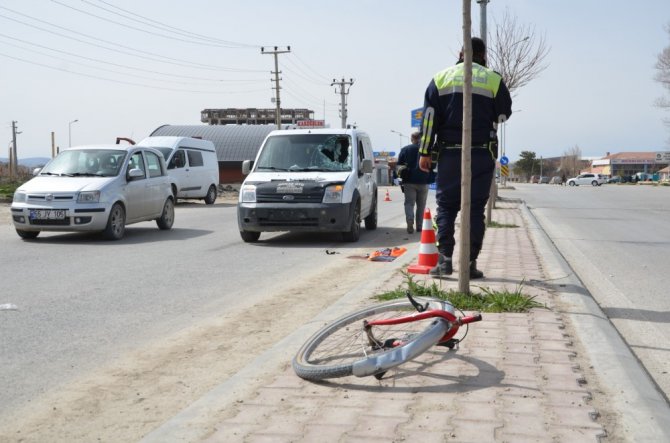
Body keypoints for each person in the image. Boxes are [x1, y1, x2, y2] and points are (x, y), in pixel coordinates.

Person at [417, 37, 512, 279]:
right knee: (475, 209)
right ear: (483, 55)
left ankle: (445, 261)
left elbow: (429, 119)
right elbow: (503, 115)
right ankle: (469, 264)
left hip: (449, 153)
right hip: (481, 153)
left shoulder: (441, 78)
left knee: (446, 207)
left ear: (461, 52)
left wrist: (425, 151)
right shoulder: (493, 79)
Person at [396, 131, 435, 233]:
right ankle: (419, 226)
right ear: (421, 139)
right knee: (421, 205)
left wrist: (398, 179)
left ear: (411, 139)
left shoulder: (405, 149)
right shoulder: (427, 150)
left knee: (409, 203)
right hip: (424, 181)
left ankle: (409, 221)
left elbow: (399, 166)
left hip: (409, 182)